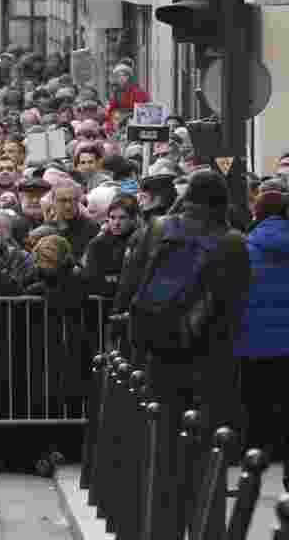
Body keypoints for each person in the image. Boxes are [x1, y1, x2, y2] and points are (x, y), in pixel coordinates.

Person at [117, 169, 251, 538]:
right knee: (210, 452)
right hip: (213, 364)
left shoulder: (157, 230)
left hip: (160, 358)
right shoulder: (234, 243)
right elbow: (238, 306)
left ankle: (164, 529)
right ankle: (206, 528)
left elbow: (131, 291)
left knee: (164, 452)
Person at [233, 179, 289, 495]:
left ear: (256, 214)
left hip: (249, 344)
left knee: (253, 411)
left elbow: (232, 298)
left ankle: (252, 478)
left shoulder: (244, 252)